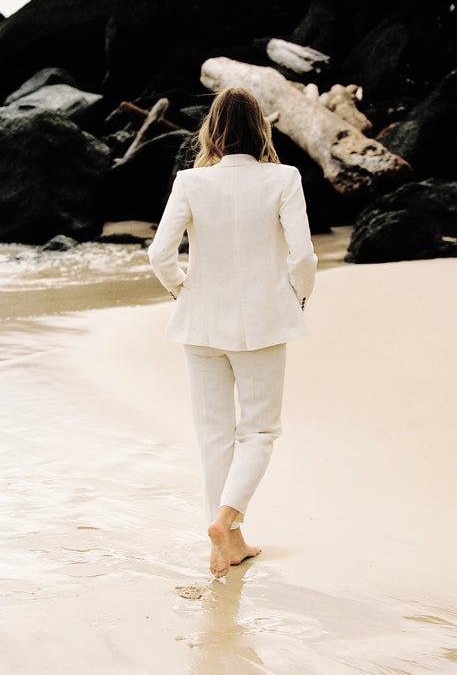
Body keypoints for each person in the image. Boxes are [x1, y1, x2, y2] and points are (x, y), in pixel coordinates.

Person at [148, 86, 317, 579]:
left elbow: (160, 255)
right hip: (263, 324)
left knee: (213, 436)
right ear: (261, 128)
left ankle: (227, 542)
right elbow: (303, 257)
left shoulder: (189, 182)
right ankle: (226, 522)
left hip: (199, 325)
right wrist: (297, 296)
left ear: (213, 130)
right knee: (260, 431)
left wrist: (184, 292)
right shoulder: (284, 178)